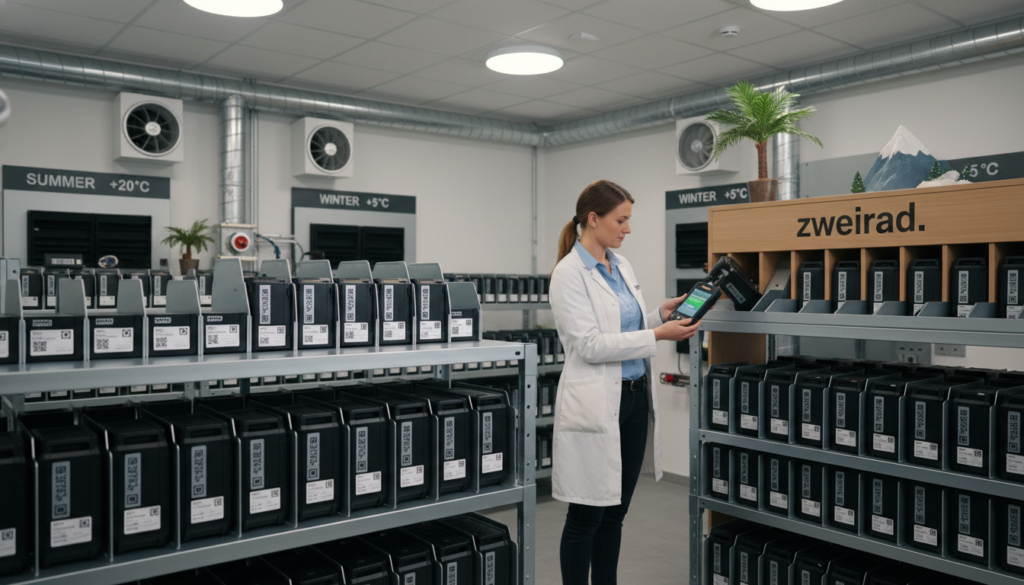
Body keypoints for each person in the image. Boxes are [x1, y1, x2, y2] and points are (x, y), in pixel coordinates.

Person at [549, 179, 700, 585]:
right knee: (586, 516)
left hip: (633, 402)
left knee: (615, 513)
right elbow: (591, 345)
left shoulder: (621, 265)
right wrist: (656, 337)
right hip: (597, 404)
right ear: (593, 219)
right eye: (622, 219)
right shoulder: (568, 274)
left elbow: (622, 327)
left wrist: (657, 316)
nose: (627, 229)